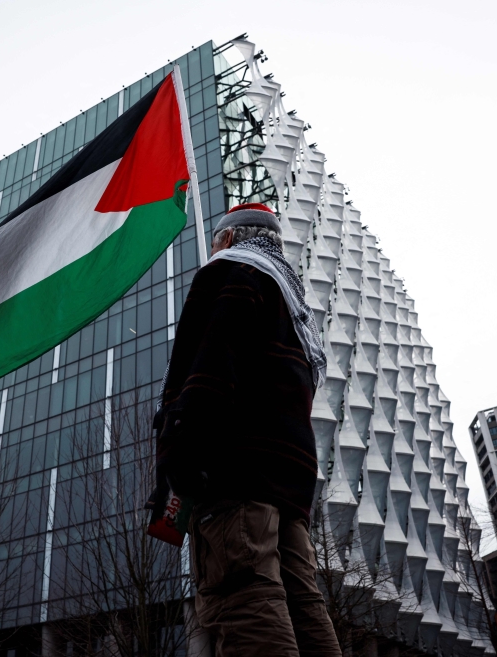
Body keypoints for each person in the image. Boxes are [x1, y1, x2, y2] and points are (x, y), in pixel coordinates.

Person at [154, 203, 342, 656]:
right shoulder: (292, 302)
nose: (212, 249)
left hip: (233, 475)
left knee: (241, 599)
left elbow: (212, 365)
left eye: (215, 241)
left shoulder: (230, 272)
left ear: (229, 238)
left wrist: (179, 454)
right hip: (288, 488)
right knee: (303, 606)